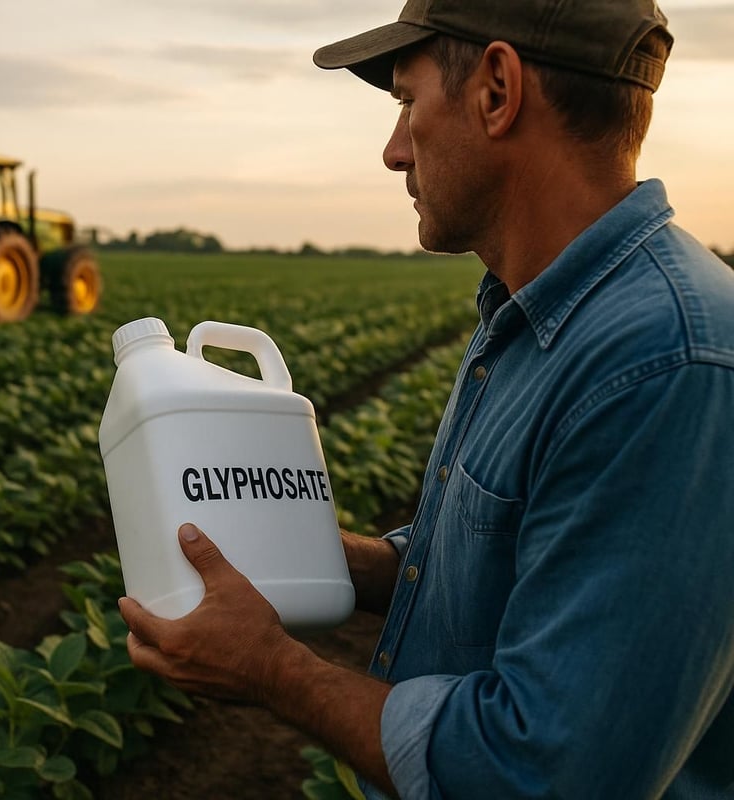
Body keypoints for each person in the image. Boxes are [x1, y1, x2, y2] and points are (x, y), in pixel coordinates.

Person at [117, 1, 734, 797]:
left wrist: (271, 669)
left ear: (497, 91)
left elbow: (542, 773)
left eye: (408, 102)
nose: (393, 150)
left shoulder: (663, 363)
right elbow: (501, 562)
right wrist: (299, 550)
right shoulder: (537, 311)